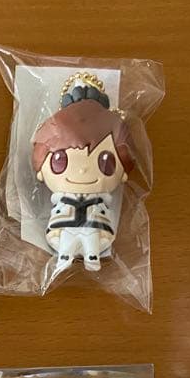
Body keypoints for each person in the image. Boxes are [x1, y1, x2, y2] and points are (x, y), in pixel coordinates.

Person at [32, 81, 135, 273]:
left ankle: (91, 257)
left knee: (91, 239)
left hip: (93, 224)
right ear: (40, 171)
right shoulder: (63, 201)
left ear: (123, 173)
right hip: (66, 222)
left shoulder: (100, 201)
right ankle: (65, 257)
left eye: (105, 161)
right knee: (67, 241)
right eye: (60, 161)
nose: (82, 171)